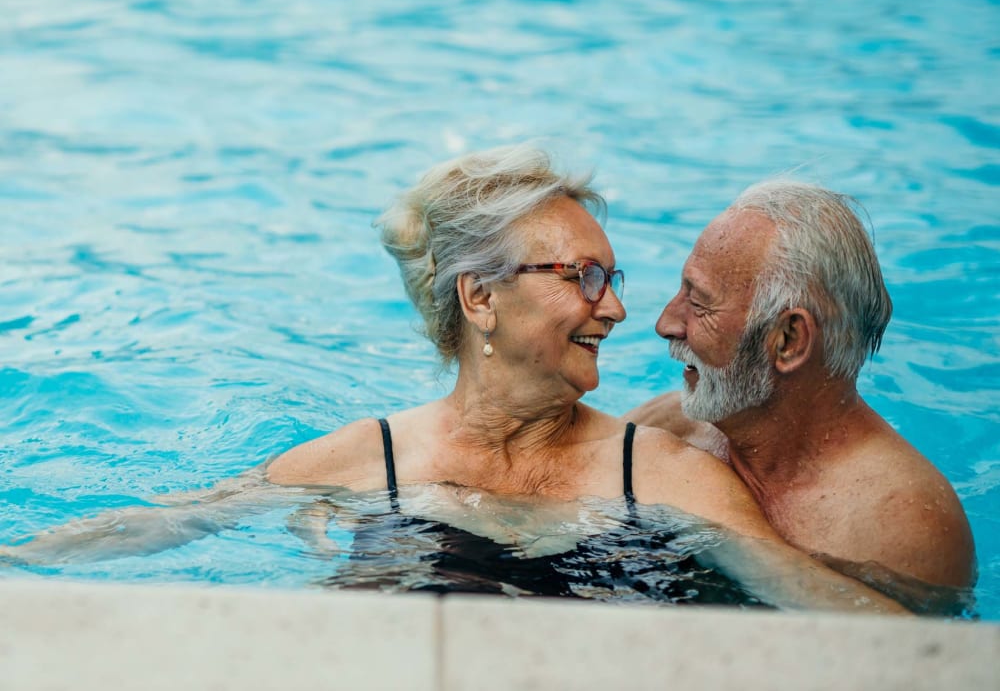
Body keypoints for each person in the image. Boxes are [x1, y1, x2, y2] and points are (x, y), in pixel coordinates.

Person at [2, 147, 903, 613]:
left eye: (613, 278)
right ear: (480, 299)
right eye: (583, 278)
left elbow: (808, 600)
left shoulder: (665, 474)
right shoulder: (367, 458)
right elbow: (170, 521)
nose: (619, 310)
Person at [624, 181, 976, 607]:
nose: (666, 323)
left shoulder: (900, 526)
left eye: (699, 305)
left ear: (789, 339)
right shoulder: (673, 424)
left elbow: (916, 665)